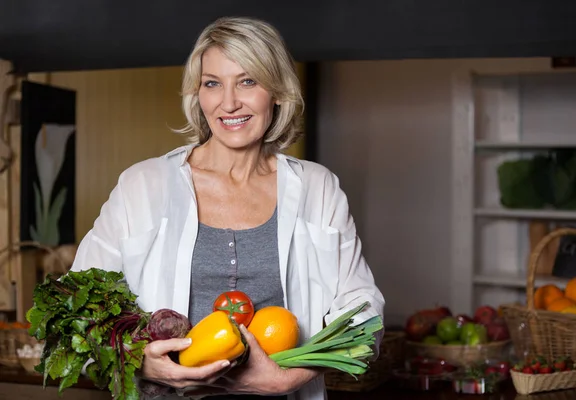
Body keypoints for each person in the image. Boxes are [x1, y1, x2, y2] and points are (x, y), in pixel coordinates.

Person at [70, 16, 385, 400]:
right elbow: (79, 310)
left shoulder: (318, 187)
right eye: (212, 83)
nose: (229, 102)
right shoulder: (143, 184)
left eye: (248, 81)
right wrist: (138, 360)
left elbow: (363, 310)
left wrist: (293, 377)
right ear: (197, 94)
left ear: (278, 91)